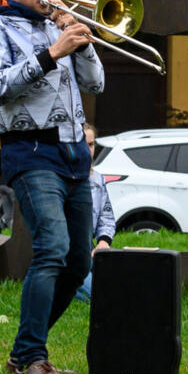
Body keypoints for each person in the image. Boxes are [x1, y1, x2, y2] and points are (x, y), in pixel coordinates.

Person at [0, 0, 104, 374]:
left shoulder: (56, 24)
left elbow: (95, 83)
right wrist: (51, 52)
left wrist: (78, 40)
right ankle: (32, 359)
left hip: (72, 154)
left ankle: (24, 353)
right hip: (30, 151)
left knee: (79, 263)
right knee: (51, 248)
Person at [74, 123, 116, 304]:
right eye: (83, 144)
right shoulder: (60, 178)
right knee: (100, 295)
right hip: (67, 253)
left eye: (91, 145)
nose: (88, 150)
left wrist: (103, 242)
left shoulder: (98, 179)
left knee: (119, 277)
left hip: (90, 249)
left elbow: (106, 217)